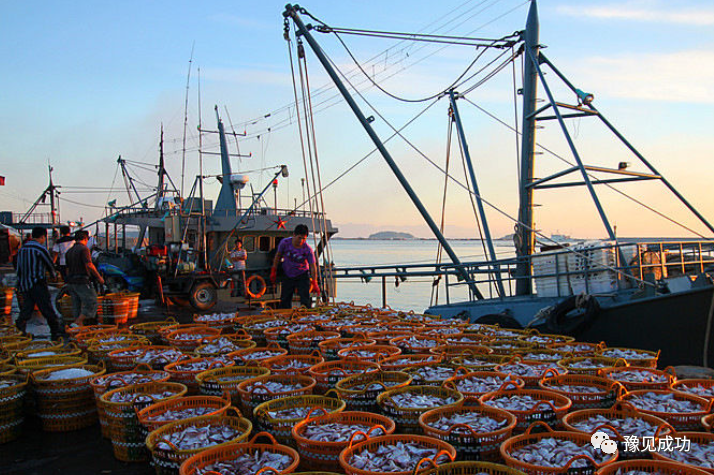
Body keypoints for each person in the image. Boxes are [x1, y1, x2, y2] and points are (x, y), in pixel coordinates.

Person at [14, 227, 67, 341]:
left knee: (27, 307)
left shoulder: (22, 249)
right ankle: (55, 332)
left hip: (24, 284)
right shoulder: (40, 249)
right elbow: (49, 265)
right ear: (43, 236)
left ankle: (20, 328)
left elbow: (17, 267)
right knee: (46, 307)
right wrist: (54, 275)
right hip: (37, 283)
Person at [270, 224, 319, 309]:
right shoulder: (285, 243)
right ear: (294, 235)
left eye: (304, 239)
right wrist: (273, 270)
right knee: (285, 299)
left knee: (305, 299)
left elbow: (312, 266)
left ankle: (306, 317)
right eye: (299, 238)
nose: (301, 241)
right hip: (288, 274)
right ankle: (284, 317)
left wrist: (315, 282)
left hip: (302, 274)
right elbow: (278, 256)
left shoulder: (307, 249)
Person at [65, 230, 105, 326]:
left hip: (71, 282)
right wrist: (99, 277)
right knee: (92, 303)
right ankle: (77, 322)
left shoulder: (69, 251)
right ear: (85, 239)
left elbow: (67, 269)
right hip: (82, 281)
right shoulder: (84, 249)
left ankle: (78, 330)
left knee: (77, 306)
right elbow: (89, 264)